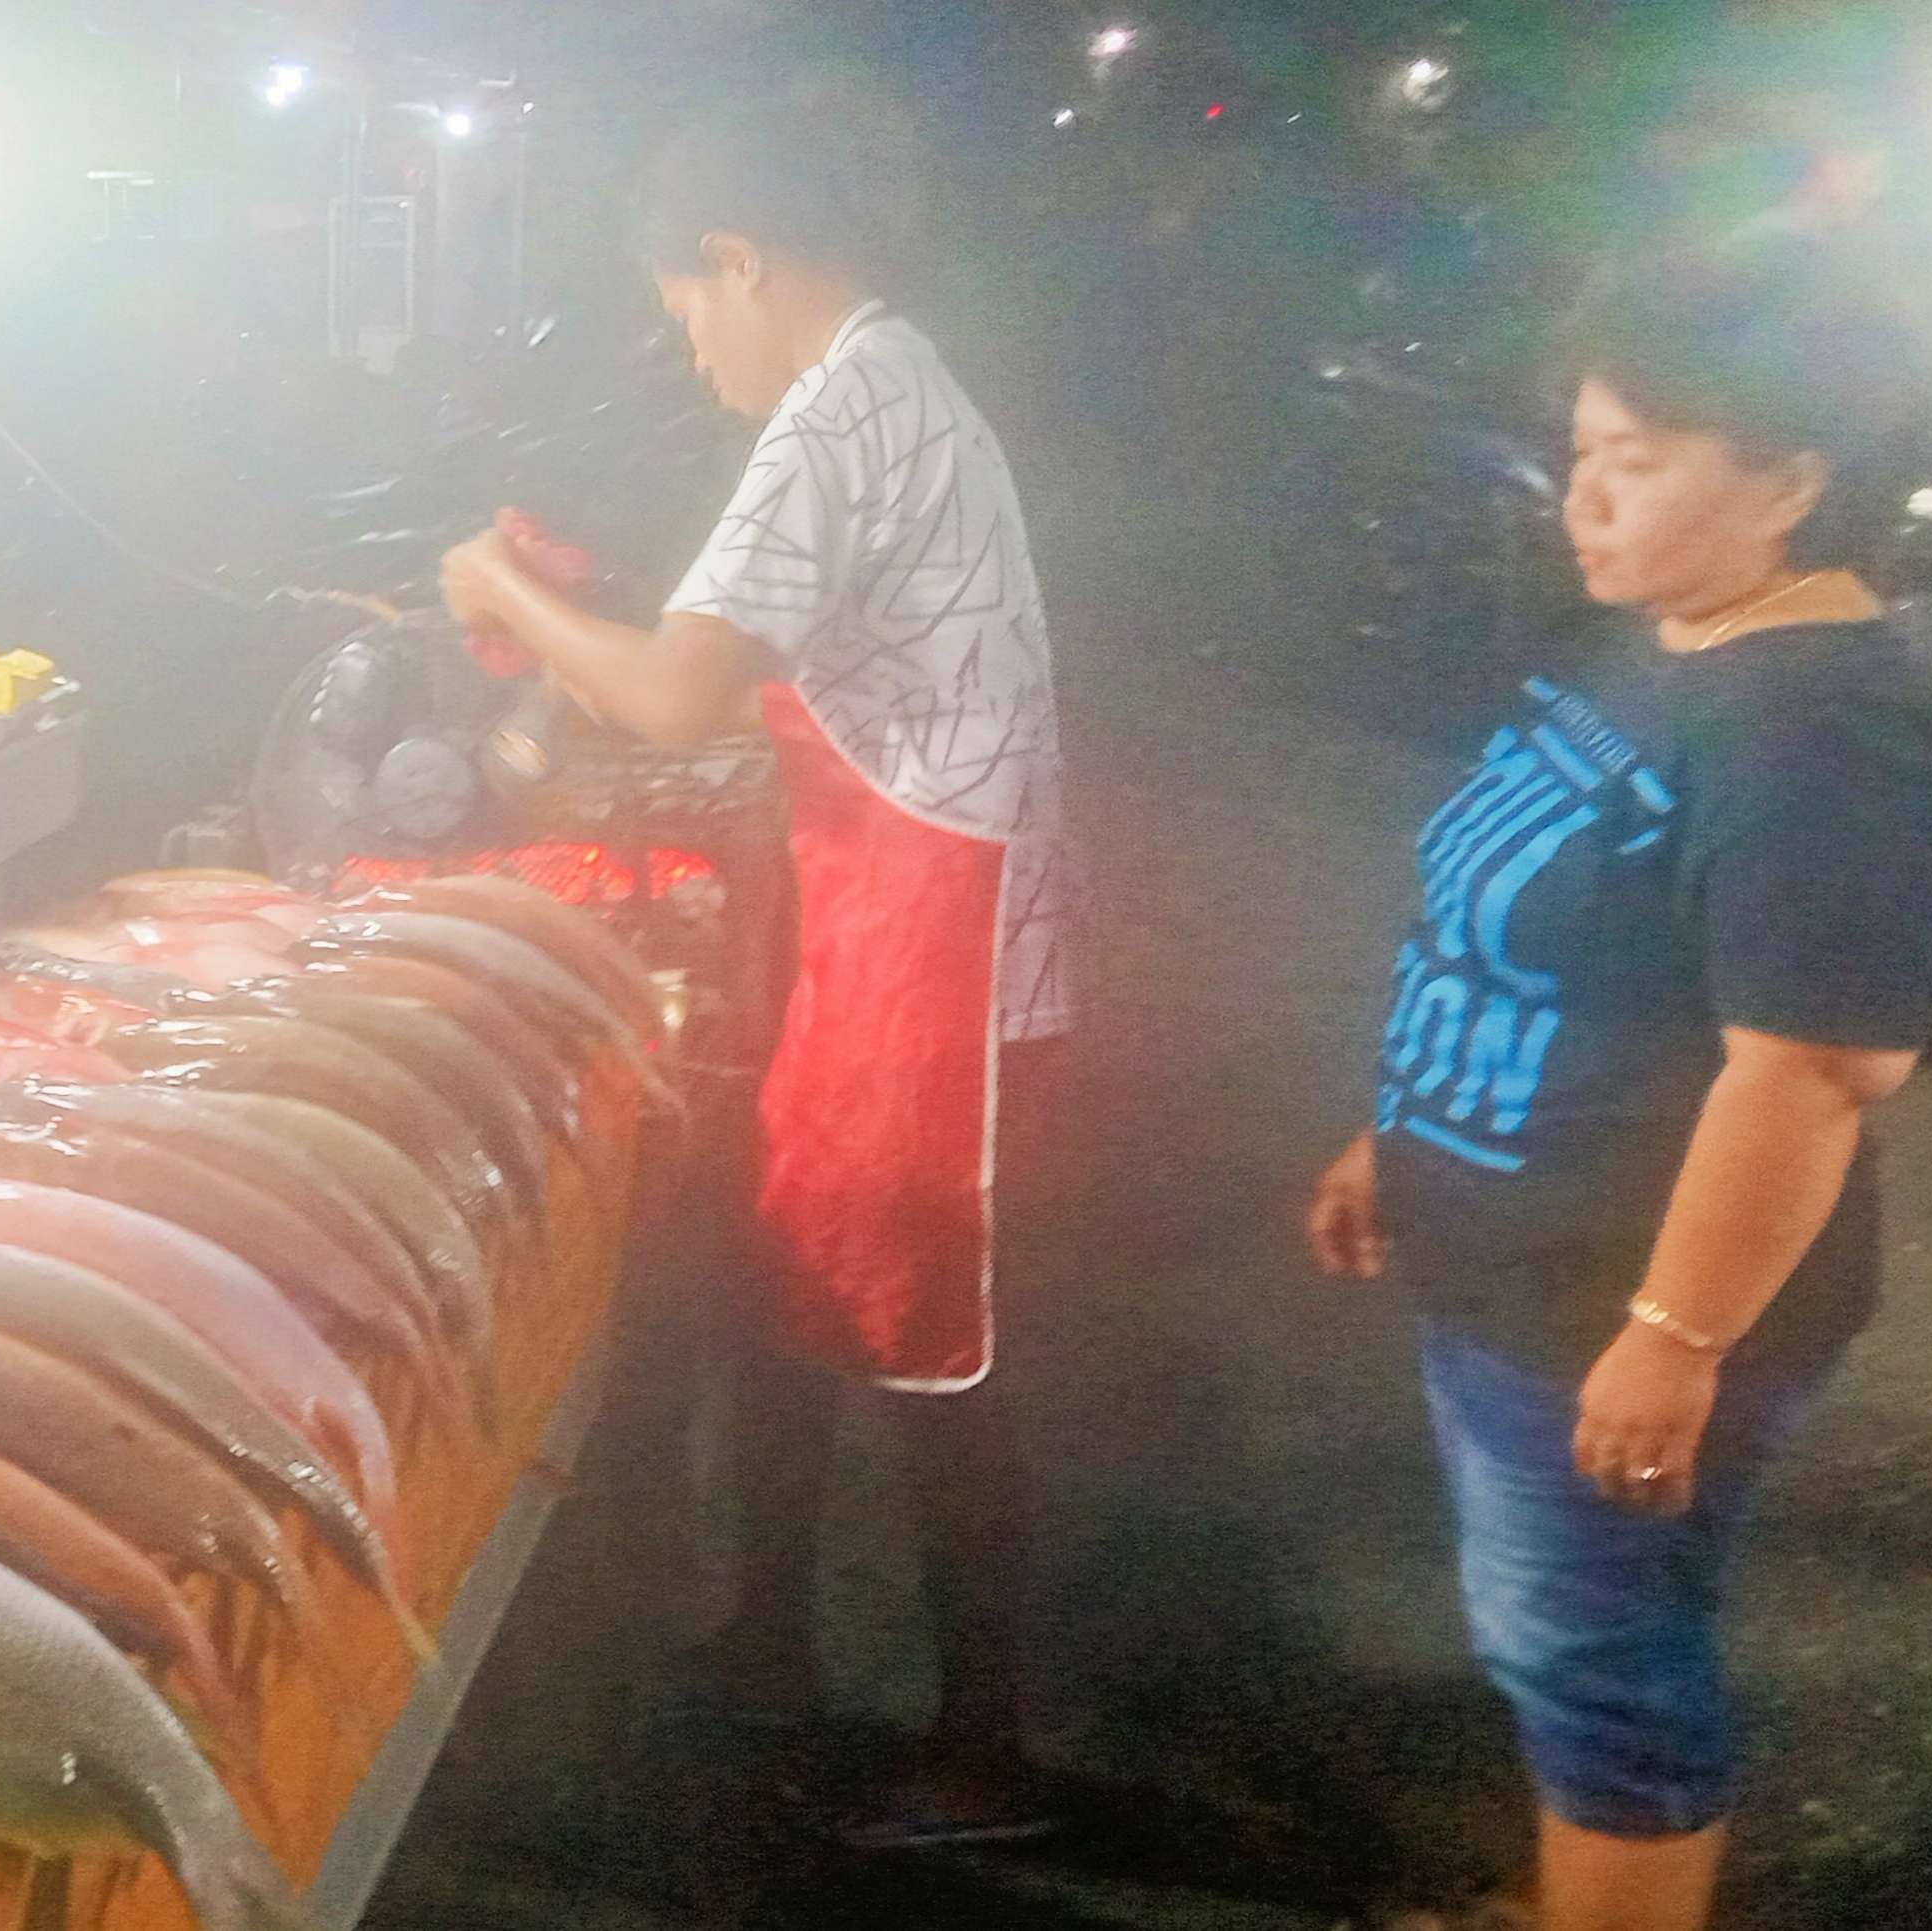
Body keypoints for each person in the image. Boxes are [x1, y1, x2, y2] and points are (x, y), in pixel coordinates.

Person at [438, 93, 1078, 1847]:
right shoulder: (902, 379)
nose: (688, 347)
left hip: (930, 952)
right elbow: (749, 651)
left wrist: (492, 576)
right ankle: (774, 1645)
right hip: (909, 919)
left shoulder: (839, 409)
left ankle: (991, 1752)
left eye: (684, 309)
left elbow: (668, 694)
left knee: (937, 1346)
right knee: (802, 1289)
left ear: (741, 263)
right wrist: (588, 614)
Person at [1308, 241, 1932, 1931]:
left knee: (1598, 1660)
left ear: (1791, 480)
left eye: (1636, 462)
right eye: (1581, 455)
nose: (1581, 499)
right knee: (1564, 1634)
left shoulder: (1815, 723)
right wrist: (1405, 1130)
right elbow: (1540, 946)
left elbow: (1811, 1072)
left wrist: (1673, 1340)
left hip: (1614, 1303)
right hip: (1521, 1266)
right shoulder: (1678, 636)